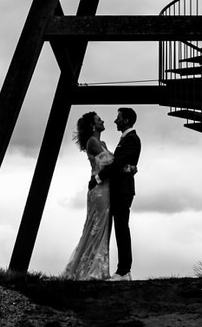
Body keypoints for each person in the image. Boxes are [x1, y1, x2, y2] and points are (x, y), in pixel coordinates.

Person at [61, 112, 114, 279]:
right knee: (97, 226)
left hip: (104, 186)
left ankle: (91, 265)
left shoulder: (101, 142)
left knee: (98, 226)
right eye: (99, 120)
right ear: (93, 125)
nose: (103, 120)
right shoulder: (93, 141)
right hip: (99, 189)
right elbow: (109, 162)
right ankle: (93, 268)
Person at [107, 107, 141, 279]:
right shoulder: (127, 139)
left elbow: (118, 163)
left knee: (121, 228)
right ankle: (122, 269)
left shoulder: (131, 139)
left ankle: (124, 270)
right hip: (120, 189)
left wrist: (98, 178)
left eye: (118, 117)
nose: (115, 121)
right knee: (119, 228)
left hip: (123, 190)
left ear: (126, 120)